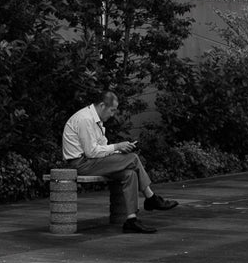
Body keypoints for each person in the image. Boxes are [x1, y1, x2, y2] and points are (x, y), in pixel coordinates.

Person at [60, 91, 177, 234]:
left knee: (130, 173)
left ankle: (131, 220)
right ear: (102, 105)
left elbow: (102, 149)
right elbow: (92, 152)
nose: (113, 114)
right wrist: (117, 146)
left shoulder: (96, 120)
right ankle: (151, 198)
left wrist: (119, 151)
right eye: (112, 110)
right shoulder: (85, 119)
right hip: (81, 163)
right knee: (133, 158)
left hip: (92, 161)